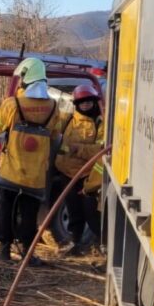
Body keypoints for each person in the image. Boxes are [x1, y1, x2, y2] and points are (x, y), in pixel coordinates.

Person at [0, 58, 62, 265]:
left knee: (6, 209)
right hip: (36, 174)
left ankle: (4, 251)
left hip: (11, 171)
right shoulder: (53, 106)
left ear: (24, 79)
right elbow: (55, 134)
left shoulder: (12, 104)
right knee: (29, 213)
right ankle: (27, 254)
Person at [54, 83, 105, 255]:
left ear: (94, 102)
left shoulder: (100, 122)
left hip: (88, 176)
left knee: (92, 213)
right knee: (73, 211)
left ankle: (103, 247)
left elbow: (101, 150)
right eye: (82, 102)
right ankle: (75, 243)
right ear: (76, 104)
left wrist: (79, 149)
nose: (85, 105)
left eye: (88, 102)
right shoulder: (68, 119)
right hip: (67, 174)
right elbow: (50, 126)